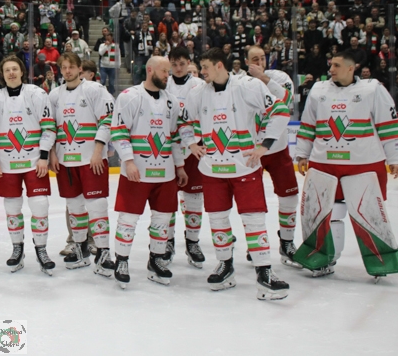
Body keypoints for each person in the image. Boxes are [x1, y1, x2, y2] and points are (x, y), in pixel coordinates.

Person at [180, 48, 291, 300]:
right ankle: (225, 265)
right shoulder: (197, 93)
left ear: (219, 65)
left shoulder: (248, 86)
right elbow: (184, 121)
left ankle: (264, 271)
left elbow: (280, 111)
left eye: (205, 66)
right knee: (218, 219)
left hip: (244, 167)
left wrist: (265, 145)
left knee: (254, 219)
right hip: (212, 170)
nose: (201, 72)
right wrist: (191, 143)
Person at [294, 49, 398, 280]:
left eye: (336, 65)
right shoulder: (318, 90)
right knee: (326, 213)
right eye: (331, 64)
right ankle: (325, 258)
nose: (331, 69)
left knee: (369, 214)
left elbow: (388, 125)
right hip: (324, 163)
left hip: (363, 163)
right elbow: (308, 123)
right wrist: (302, 154)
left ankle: (381, 261)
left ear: (351, 68)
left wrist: (394, 158)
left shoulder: (372, 89)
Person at [110, 57, 187, 288]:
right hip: (137, 172)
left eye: (169, 72)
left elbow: (175, 137)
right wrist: (128, 161)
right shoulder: (129, 97)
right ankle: (121, 261)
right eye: (164, 71)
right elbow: (119, 131)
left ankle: (156, 260)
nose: (167, 75)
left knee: (163, 219)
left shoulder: (172, 102)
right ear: (150, 69)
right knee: (128, 218)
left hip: (165, 173)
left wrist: (180, 165)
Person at [0, 56, 57, 275]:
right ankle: (17, 249)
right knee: (12, 208)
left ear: (22, 72)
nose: (11, 73)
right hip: (7, 164)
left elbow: (48, 127)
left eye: (15, 69)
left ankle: (41, 249)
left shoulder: (37, 94)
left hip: (35, 162)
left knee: (40, 205)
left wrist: (43, 156)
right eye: (7, 70)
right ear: (2, 74)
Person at [49, 52, 116, 275]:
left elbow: (108, 120)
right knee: (74, 207)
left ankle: (104, 252)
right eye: (63, 67)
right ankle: (80, 249)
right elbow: (50, 127)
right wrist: (52, 154)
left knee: (97, 206)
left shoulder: (95, 90)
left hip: (91, 161)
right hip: (66, 162)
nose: (67, 71)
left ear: (80, 68)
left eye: (71, 67)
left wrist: (98, 151)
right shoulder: (54, 95)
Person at [244, 46, 300, 268]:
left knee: (289, 196)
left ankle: (287, 242)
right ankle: (255, 243)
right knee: (252, 201)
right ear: (246, 62)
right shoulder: (240, 82)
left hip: (278, 149)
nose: (259, 62)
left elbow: (286, 102)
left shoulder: (280, 77)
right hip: (252, 152)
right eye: (254, 59)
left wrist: (264, 79)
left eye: (262, 58)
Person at [165, 47, 207, 268]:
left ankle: (192, 242)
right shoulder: (164, 84)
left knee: (194, 198)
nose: (178, 68)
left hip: (194, 149)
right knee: (167, 199)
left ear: (189, 62)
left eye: (182, 63)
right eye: (174, 64)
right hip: (168, 150)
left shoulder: (200, 86)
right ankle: (167, 241)